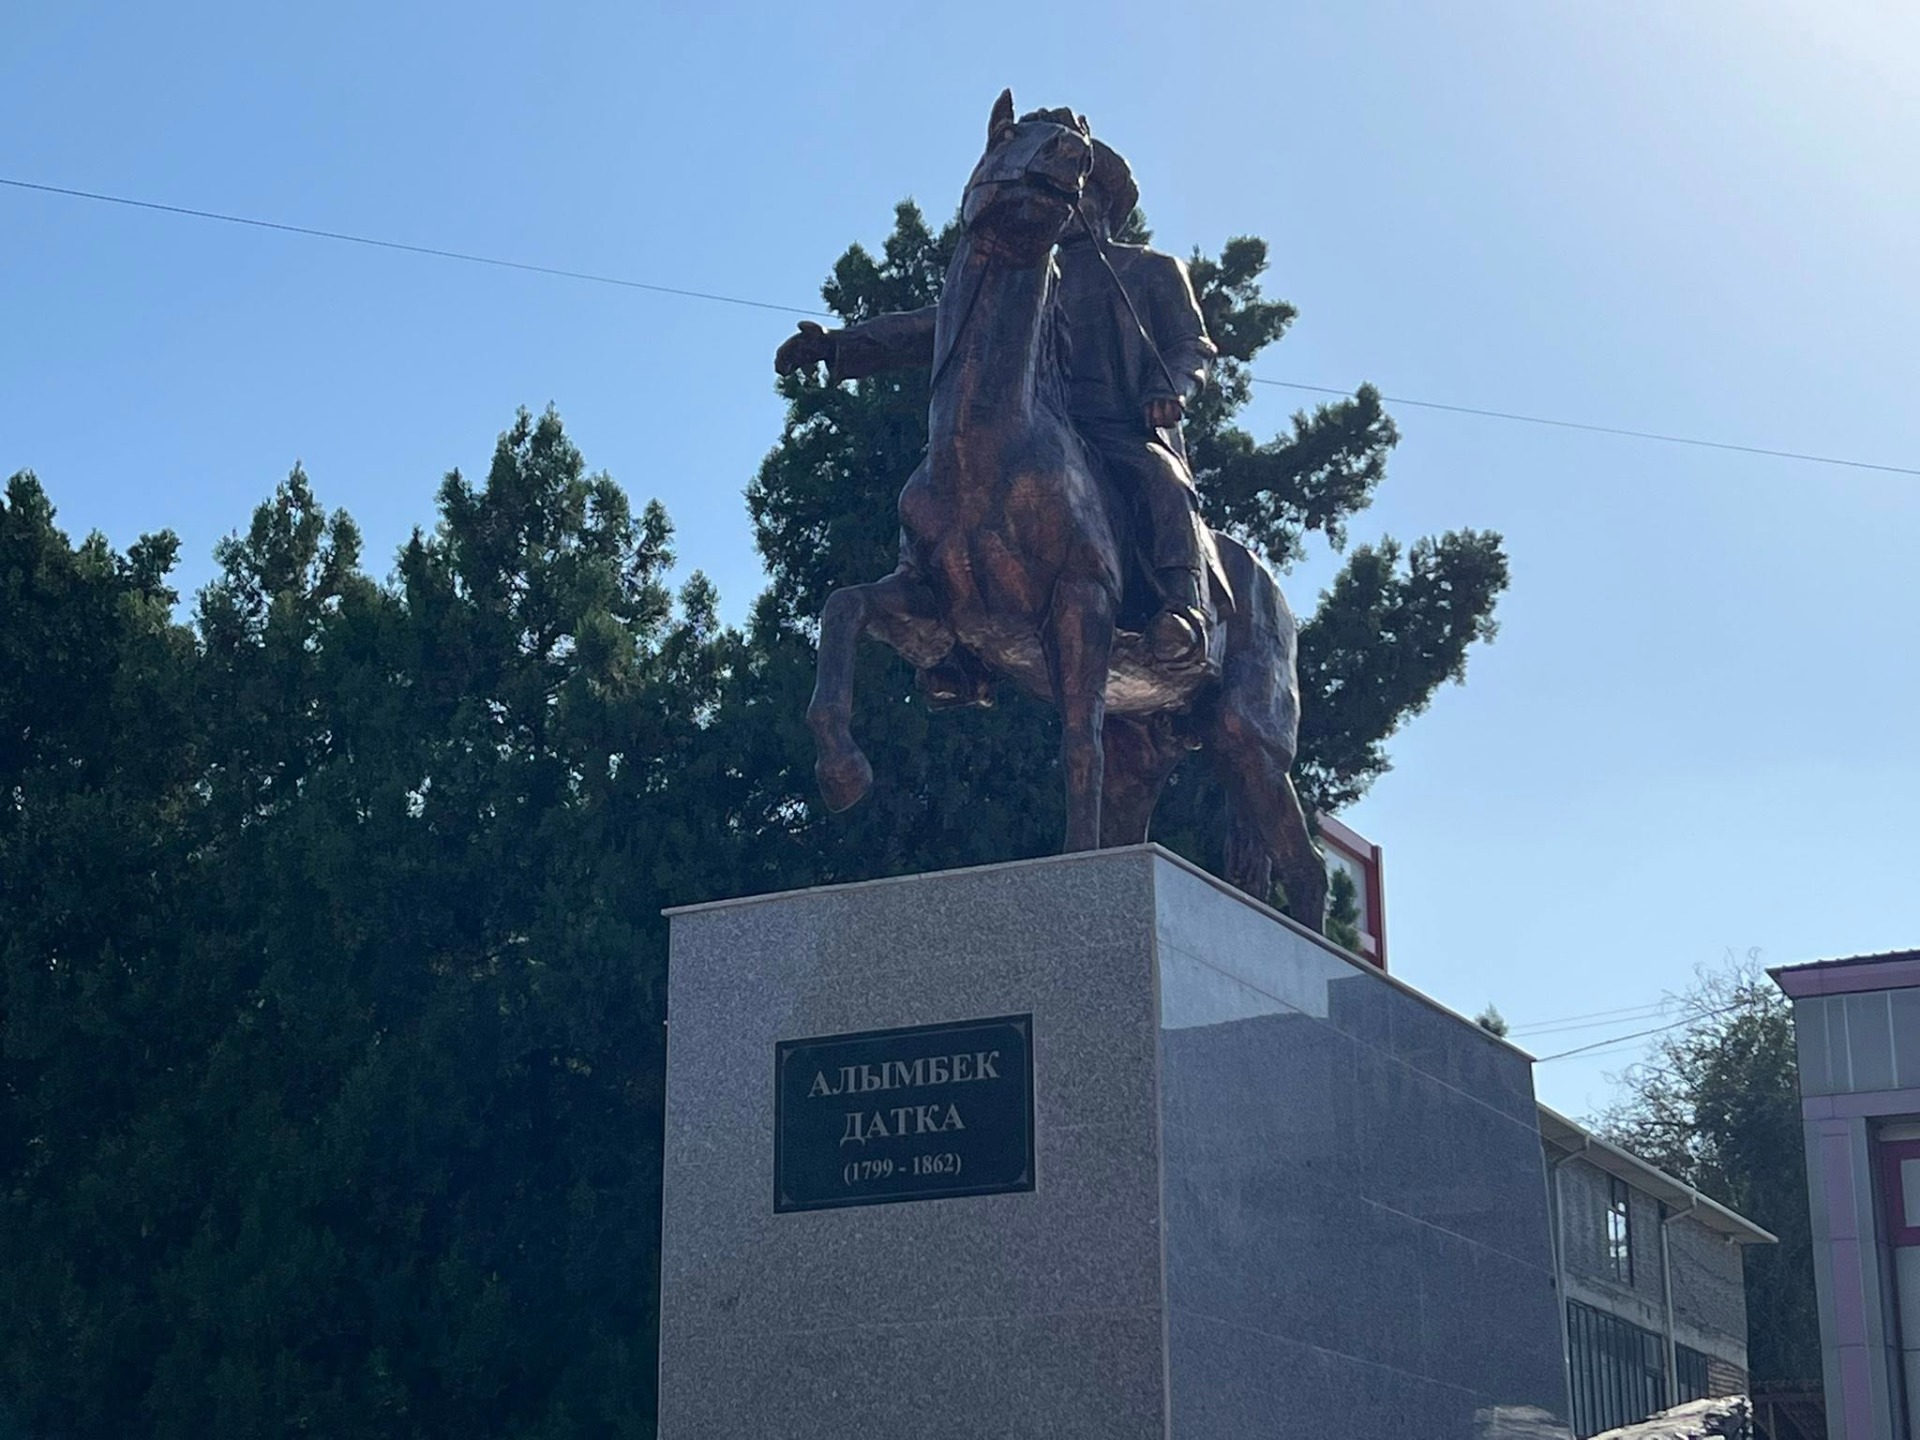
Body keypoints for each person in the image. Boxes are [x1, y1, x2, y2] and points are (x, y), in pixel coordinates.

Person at [775, 116, 1222, 668]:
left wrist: (1169, 389)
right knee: (935, 487)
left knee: (1163, 478)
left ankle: (1182, 609)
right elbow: (939, 322)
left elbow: (1191, 344)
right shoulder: (1030, 276)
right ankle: (943, 632)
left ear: (1102, 201)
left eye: (1080, 186)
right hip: (1042, 427)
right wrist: (838, 345)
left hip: (1118, 427)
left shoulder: (1150, 269)